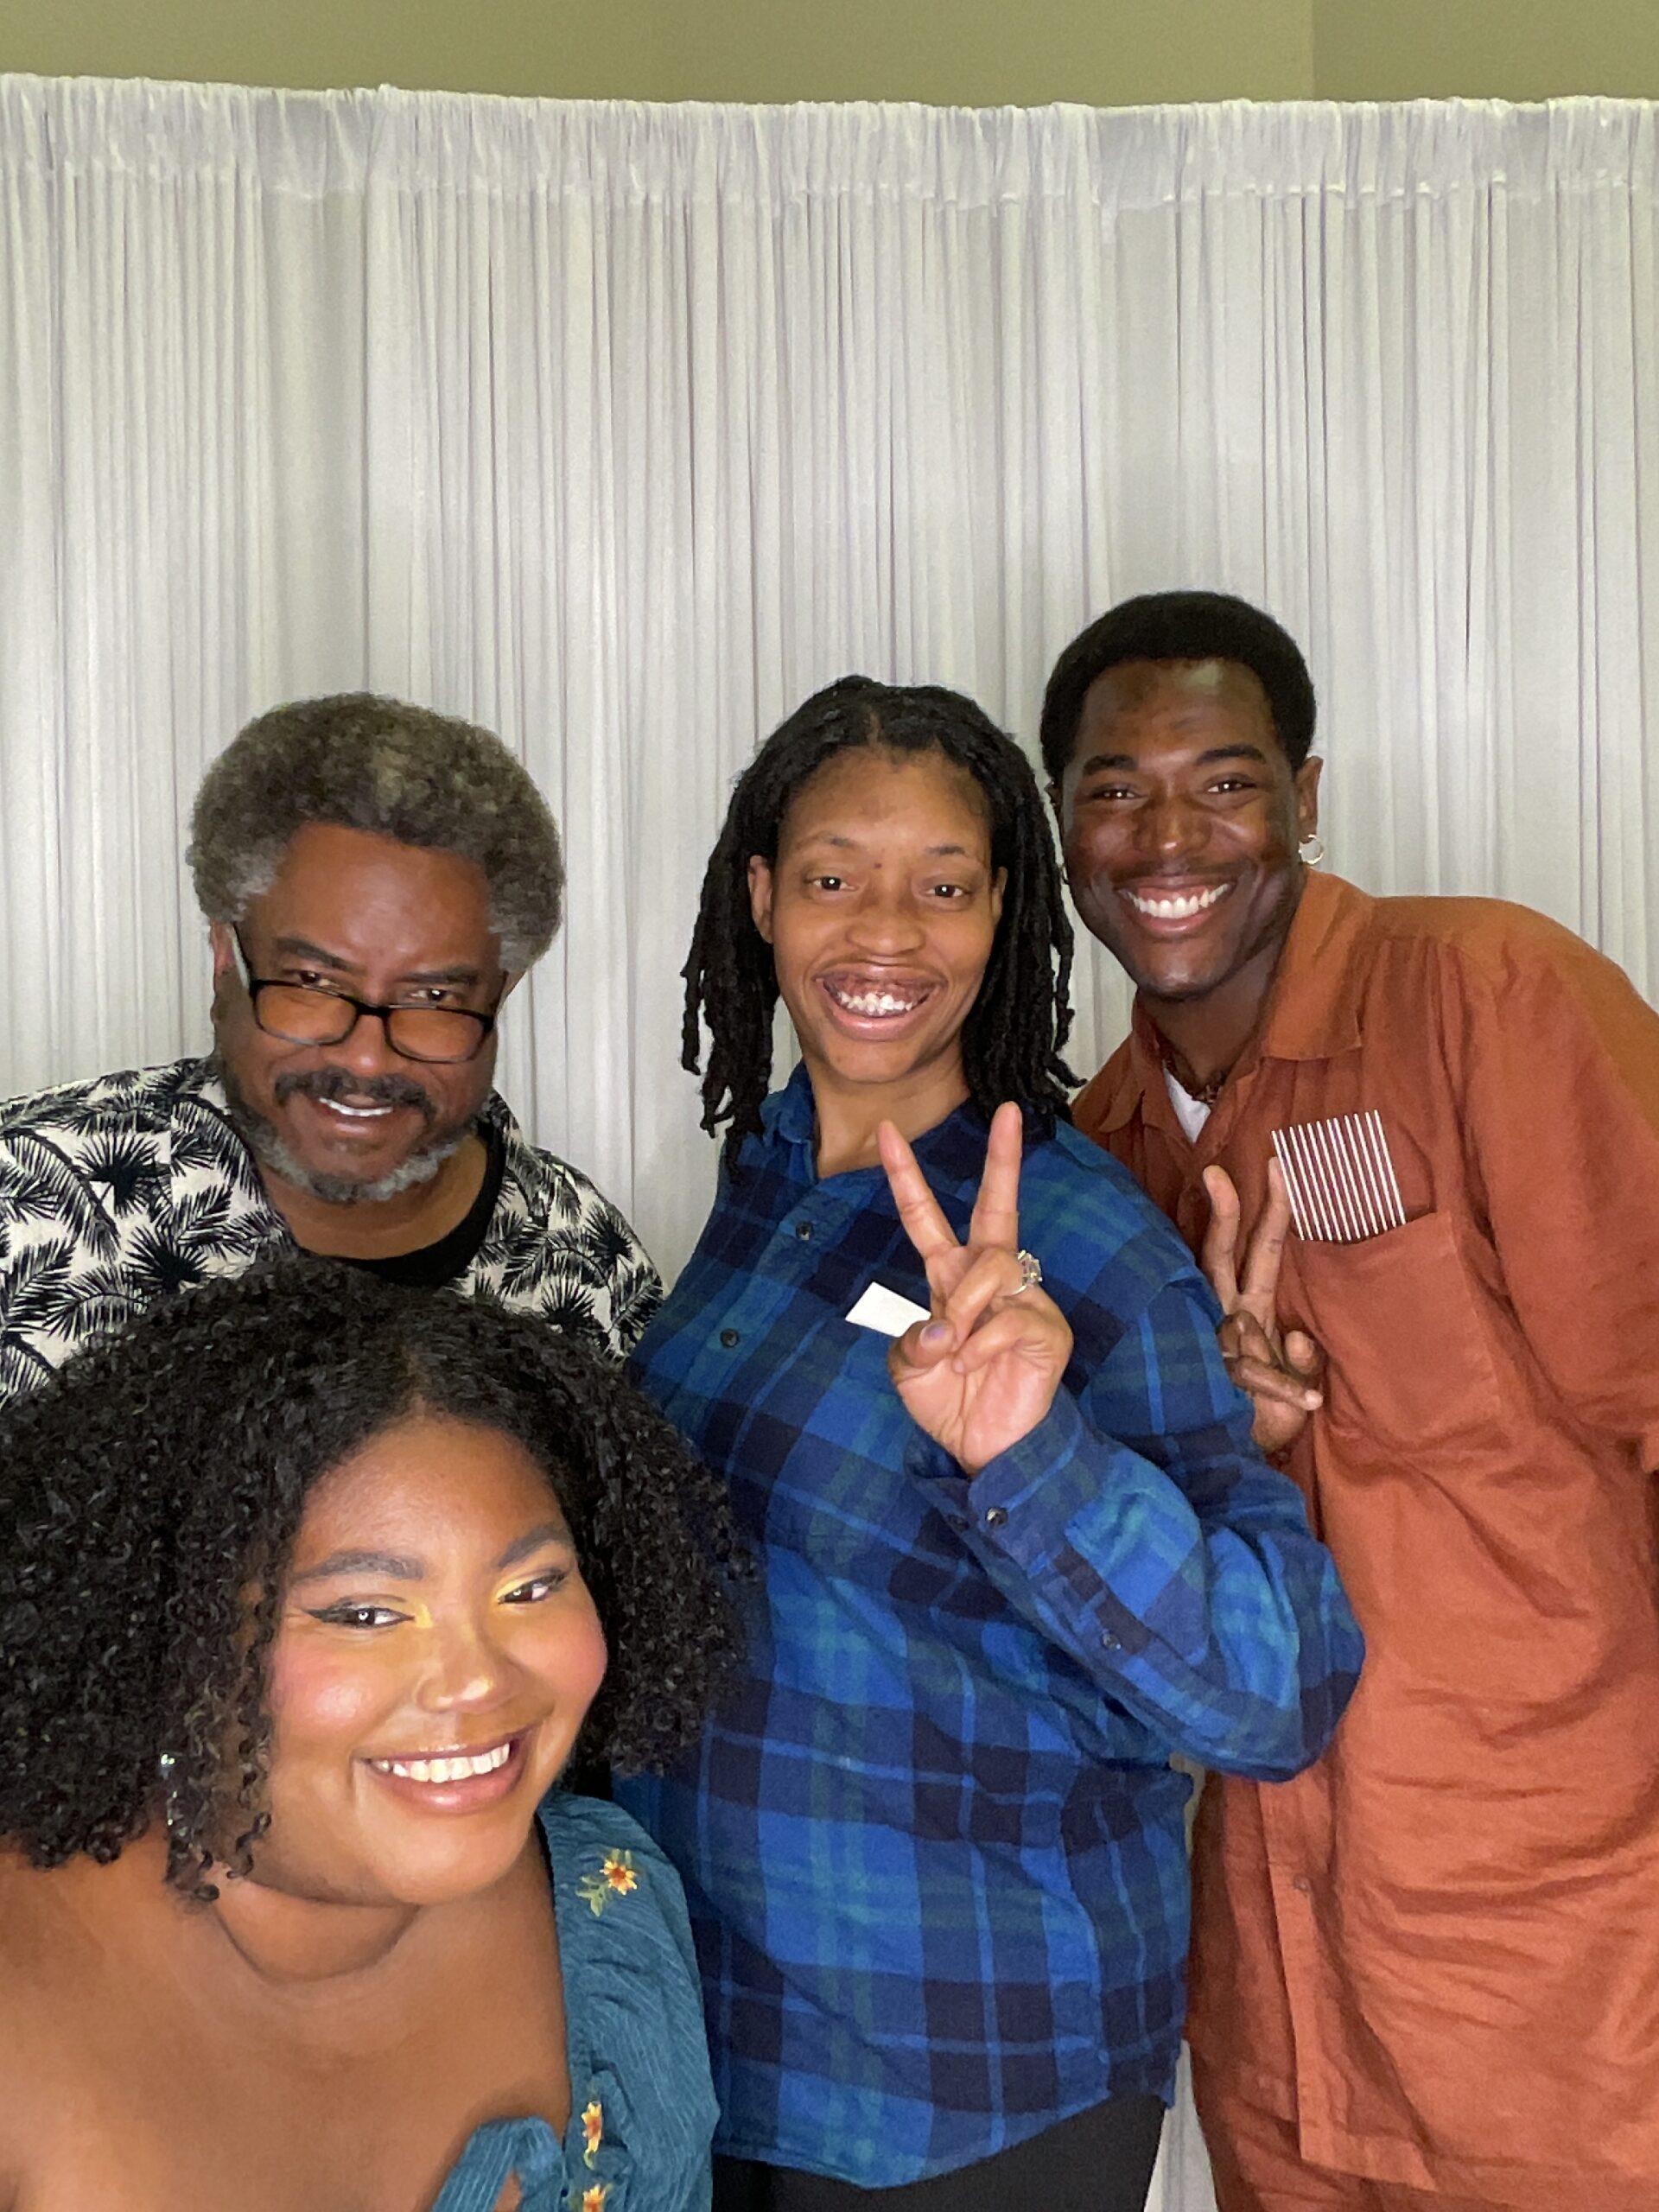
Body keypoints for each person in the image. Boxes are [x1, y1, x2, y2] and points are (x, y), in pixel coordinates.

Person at [618, 675, 1362, 2212]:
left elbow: (1274, 1688)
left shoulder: (1080, 1247)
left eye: (944, 886)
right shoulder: (763, 1183)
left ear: (1005, 910)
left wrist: (1032, 1452)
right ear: (760, 898)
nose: (885, 934)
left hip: (963, 2074)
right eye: (834, 879)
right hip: (722, 2050)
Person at [1041, 588, 1659, 2212]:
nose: (1169, 837)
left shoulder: (1485, 996)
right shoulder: (1098, 1152)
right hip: (1279, 1991)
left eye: (1225, 782)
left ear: (1305, 799)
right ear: (1063, 829)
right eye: (1116, 790)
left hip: (1571, 1965)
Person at [0, 1256, 740, 2209]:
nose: (478, 1680)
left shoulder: (609, 1914)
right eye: (364, 1613)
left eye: (530, 1588)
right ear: (165, 1632)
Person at [0, 693, 657, 1406]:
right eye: (312, 982)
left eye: (433, 997)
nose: (368, 1060)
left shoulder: (585, 1257)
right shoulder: (28, 1200)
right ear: (224, 954)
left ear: (504, 989)